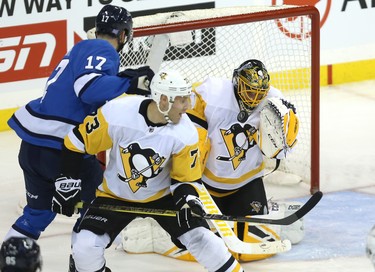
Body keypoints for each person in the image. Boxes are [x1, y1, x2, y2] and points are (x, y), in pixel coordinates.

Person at [2, 3, 154, 262]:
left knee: (38, 214)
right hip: (61, 150)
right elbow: (89, 89)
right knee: (99, 206)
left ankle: (9, 264)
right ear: (123, 34)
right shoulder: (103, 48)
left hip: (33, 149)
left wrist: (122, 83)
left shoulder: (78, 50)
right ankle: (83, 265)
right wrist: (128, 82)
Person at [56, 69, 244, 272]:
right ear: (164, 100)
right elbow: (75, 143)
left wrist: (189, 201)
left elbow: (186, 180)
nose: (187, 106)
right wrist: (68, 185)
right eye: (182, 100)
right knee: (85, 247)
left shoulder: (186, 132)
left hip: (164, 196)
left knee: (206, 242)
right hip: (114, 196)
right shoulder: (116, 113)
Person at [120, 59, 302, 262]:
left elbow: (283, 146)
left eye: (259, 93)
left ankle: (276, 220)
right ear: (237, 83)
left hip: (246, 182)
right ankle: (155, 234)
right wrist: (192, 167)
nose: (254, 99)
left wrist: (284, 134)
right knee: (201, 245)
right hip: (205, 184)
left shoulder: (274, 103)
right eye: (250, 92)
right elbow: (186, 124)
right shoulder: (213, 94)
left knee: (245, 251)